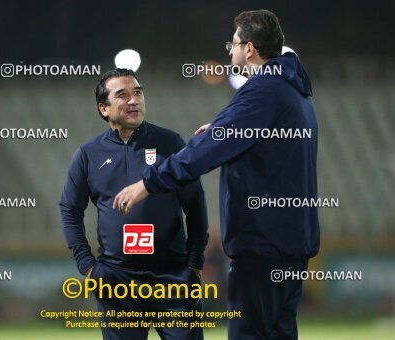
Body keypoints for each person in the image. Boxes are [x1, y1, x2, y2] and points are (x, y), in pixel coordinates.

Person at [113, 10, 320, 340]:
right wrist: (223, 129)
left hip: (262, 242)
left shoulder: (263, 90)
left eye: (234, 43)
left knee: (248, 334)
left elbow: (204, 152)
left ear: (249, 49)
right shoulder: (294, 91)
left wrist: (148, 183)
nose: (229, 51)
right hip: (290, 241)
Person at [59, 68, 209, 340]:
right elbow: (69, 209)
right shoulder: (88, 154)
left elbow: (195, 202)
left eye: (138, 93)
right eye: (123, 95)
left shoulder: (170, 143)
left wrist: (195, 261)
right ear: (104, 108)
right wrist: (88, 267)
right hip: (117, 281)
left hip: (173, 277)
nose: (133, 100)